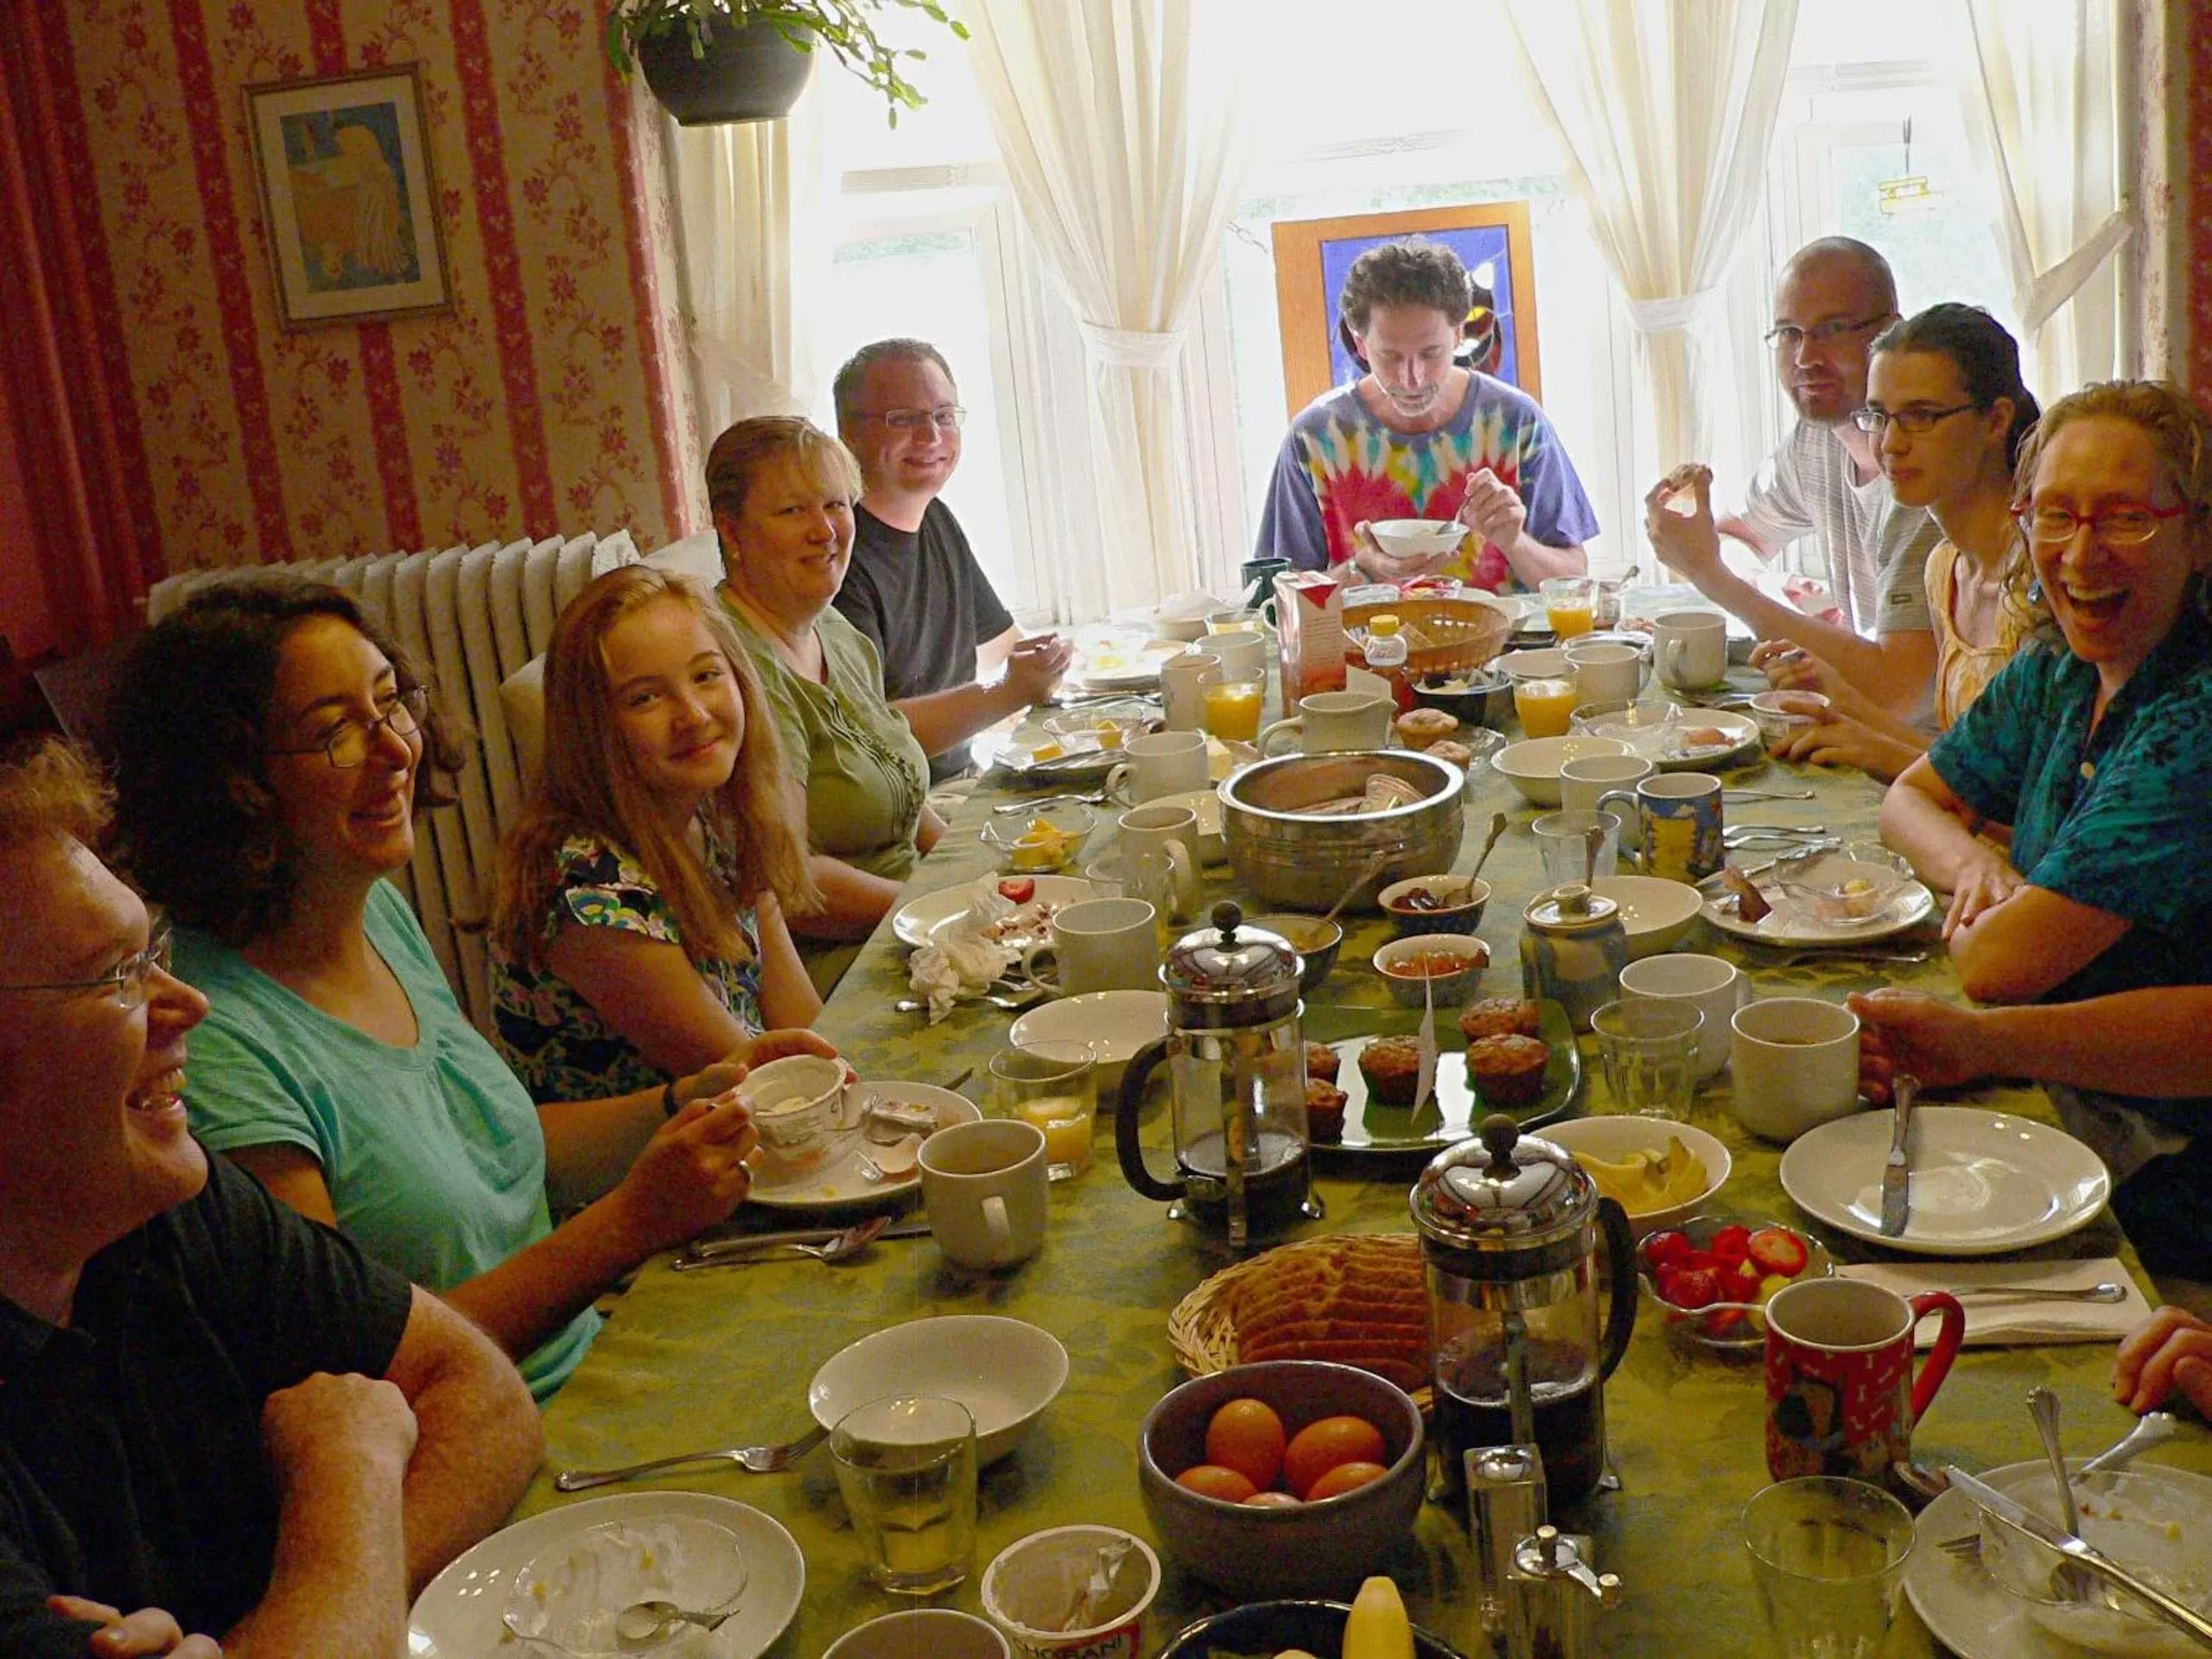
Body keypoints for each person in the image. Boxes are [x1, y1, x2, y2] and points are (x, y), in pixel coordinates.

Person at [106, 578, 831, 1402]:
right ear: (228, 783)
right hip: (500, 1429)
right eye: (335, 733)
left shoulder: (372, 912)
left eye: (391, 703)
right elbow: (358, 1376)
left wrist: (687, 1100)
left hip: (596, 1350)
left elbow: (491, 1142)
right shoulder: (214, 1040)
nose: (395, 750)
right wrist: (631, 1221)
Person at [0, 739, 540, 1656]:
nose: (188, 1004)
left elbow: (485, 1398)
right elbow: (379, 1440)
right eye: (115, 976)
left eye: (153, 951)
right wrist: (349, 1473)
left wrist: (321, 1617)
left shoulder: (163, 1208)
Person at [1876, 380, 2212, 1273]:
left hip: (2170, 1167)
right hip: (2076, 1096)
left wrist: (1983, 1032)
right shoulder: (2061, 668)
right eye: (2055, 515)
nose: (2081, 554)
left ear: (2199, 534)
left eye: (2127, 519)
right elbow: (1909, 798)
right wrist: (1977, 870)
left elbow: (1997, 964)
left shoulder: (2193, 719)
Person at [490, 565, 823, 1104]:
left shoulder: (711, 813)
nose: (693, 714)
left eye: (706, 675)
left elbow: (808, 1030)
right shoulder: (588, 890)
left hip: (754, 1117)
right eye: (645, 698)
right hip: (676, 1148)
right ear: (593, 729)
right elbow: (757, 1086)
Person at [1643, 238, 1942, 718]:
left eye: (1833, 329)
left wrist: (1712, 576)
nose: (1805, 357)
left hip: (1927, 746)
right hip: (1864, 723)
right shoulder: (1815, 440)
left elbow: (1897, 689)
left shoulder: (1924, 475)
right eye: (1789, 333)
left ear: (1891, 332)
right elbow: (1739, 538)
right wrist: (1777, 595)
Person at [709, 415, 945, 983]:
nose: (825, 530)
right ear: (732, 533)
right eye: (794, 511)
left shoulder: (833, 631)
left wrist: (978, 876)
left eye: (836, 505)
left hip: (915, 923)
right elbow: (792, 885)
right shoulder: (736, 668)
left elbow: (903, 792)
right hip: (843, 963)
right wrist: (936, 906)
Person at [1765, 304, 2042, 779]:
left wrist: (1877, 750)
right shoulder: (1945, 567)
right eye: (1879, 416)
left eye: (1921, 416)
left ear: (1996, 421)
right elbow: (1954, 758)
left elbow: (2027, 797)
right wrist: (1838, 698)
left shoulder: (2043, 575)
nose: (1891, 443)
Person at [1255, 236, 1599, 592]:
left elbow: (1575, 581)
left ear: (1459, 334)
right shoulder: (1314, 437)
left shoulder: (1516, 422)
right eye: (1390, 356)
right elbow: (1277, 598)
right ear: (1360, 344)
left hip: (1506, 630)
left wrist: (1516, 542)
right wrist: (1363, 568)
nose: (1412, 379)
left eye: (1431, 353)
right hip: (1367, 631)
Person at [831, 339, 1072, 780]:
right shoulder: (833, 555)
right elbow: (867, 734)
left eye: (944, 416)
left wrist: (1049, 663)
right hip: (904, 799)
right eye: (903, 419)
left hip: (963, 776)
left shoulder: (936, 518)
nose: (931, 437)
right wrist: (1007, 691)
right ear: (849, 433)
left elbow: (1002, 645)